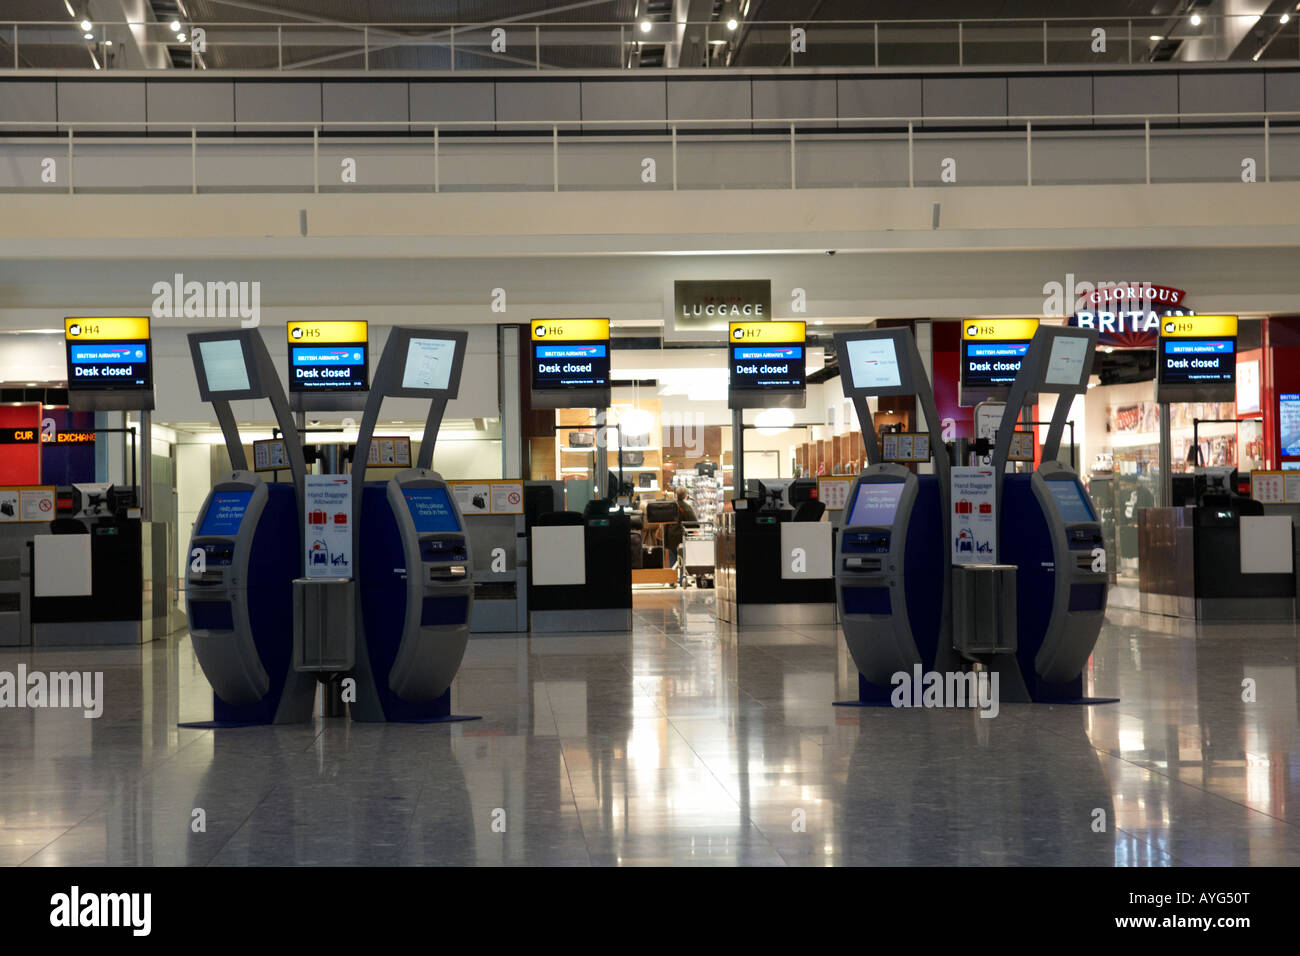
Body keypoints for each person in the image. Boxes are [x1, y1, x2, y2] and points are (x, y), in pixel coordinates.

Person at [663, 486, 697, 568]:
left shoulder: (671, 506)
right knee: (682, 562)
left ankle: (672, 579)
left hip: (670, 538)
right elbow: (694, 523)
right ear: (685, 495)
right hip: (682, 538)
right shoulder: (686, 508)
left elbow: (666, 522)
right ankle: (681, 579)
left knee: (672, 561)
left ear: (676, 495)